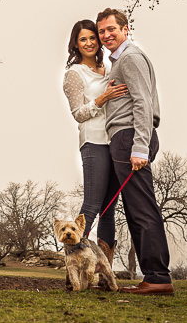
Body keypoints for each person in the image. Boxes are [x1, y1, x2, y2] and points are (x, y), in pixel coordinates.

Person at [96, 8, 174, 295]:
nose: (106, 35)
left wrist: (139, 146)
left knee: (141, 210)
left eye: (111, 29)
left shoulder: (130, 57)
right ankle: (153, 276)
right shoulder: (121, 59)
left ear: (125, 29)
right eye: (102, 31)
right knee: (134, 209)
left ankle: (157, 277)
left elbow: (143, 102)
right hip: (125, 138)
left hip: (130, 137)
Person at [62, 20, 127, 256]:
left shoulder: (111, 68)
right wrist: (103, 98)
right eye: (83, 39)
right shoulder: (74, 74)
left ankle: (103, 270)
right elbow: (78, 114)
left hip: (116, 141)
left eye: (92, 38)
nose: (89, 43)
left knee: (109, 209)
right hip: (93, 143)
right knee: (91, 206)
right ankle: (75, 265)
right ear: (76, 45)